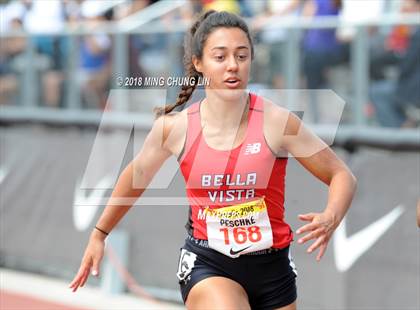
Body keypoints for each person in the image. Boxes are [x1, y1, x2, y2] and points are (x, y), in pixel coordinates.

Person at [69, 11, 357, 310]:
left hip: (273, 268)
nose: (233, 66)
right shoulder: (175, 128)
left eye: (242, 56)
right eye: (220, 57)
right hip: (209, 263)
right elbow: (135, 177)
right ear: (199, 63)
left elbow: (341, 174)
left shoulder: (277, 122)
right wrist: (99, 234)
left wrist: (331, 215)